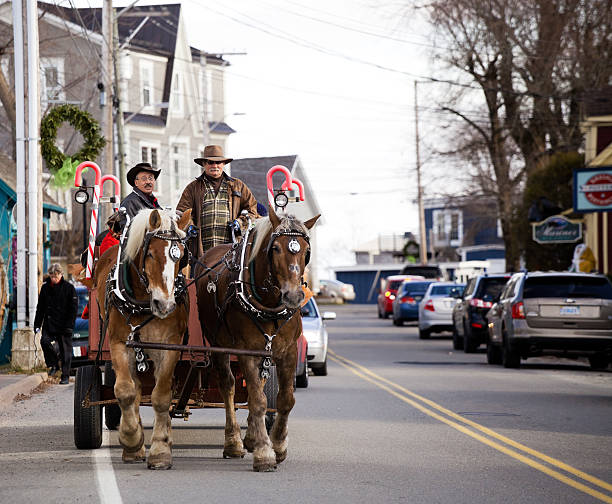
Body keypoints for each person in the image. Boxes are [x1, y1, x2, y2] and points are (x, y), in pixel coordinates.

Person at [176, 145, 258, 260]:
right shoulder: (192, 188)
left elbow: (253, 210)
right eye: (210, 162)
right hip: (201, 253)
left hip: (231, 252)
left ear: (223, 164)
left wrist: (239, 223)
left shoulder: (238, 186)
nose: (215, 166)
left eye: (218, 162)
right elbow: (181, 213)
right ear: (204, 164)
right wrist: (189, 226)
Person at [33, 263, 78, 384]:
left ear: (61, 275)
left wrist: (70, 325)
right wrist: (37, 324)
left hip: (64, 325)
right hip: (50, 323)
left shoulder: (69, 288)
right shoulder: (45, 288)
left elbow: (73, 309)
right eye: (52, 276)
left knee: (65, 352)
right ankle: (53, 364)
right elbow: (40, 308)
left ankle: (65, 376)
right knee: (45, 342)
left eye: (56, 277)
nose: (54, 279)